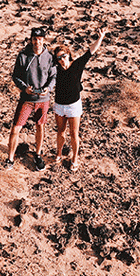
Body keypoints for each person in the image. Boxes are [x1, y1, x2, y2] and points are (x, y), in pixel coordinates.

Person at [52, 28, 107, 170]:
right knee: (60, 131)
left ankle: (74, 159)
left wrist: (100, 38)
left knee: (74, 133)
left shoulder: (76, 65)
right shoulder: (55, 69)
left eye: (63, 56)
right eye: (58, 58)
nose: (62, 60)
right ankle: (58, 153)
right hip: (59, 105)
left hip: (73, 106)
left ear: (68, 55)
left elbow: (90, 52)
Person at [6, 26, 56, 170]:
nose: (37, 42)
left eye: (40, 39)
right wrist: (24, 88)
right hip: (26, 99)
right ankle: (10, 158)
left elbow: (53, 76)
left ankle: (38, 155)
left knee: (40, 126)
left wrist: (48, 88)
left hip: (43, 100)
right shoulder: (23, 56)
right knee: (16, 128)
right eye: (35, 39)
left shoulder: (50, 57)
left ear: (44, 40)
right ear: (31, 39)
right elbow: (15, 76)